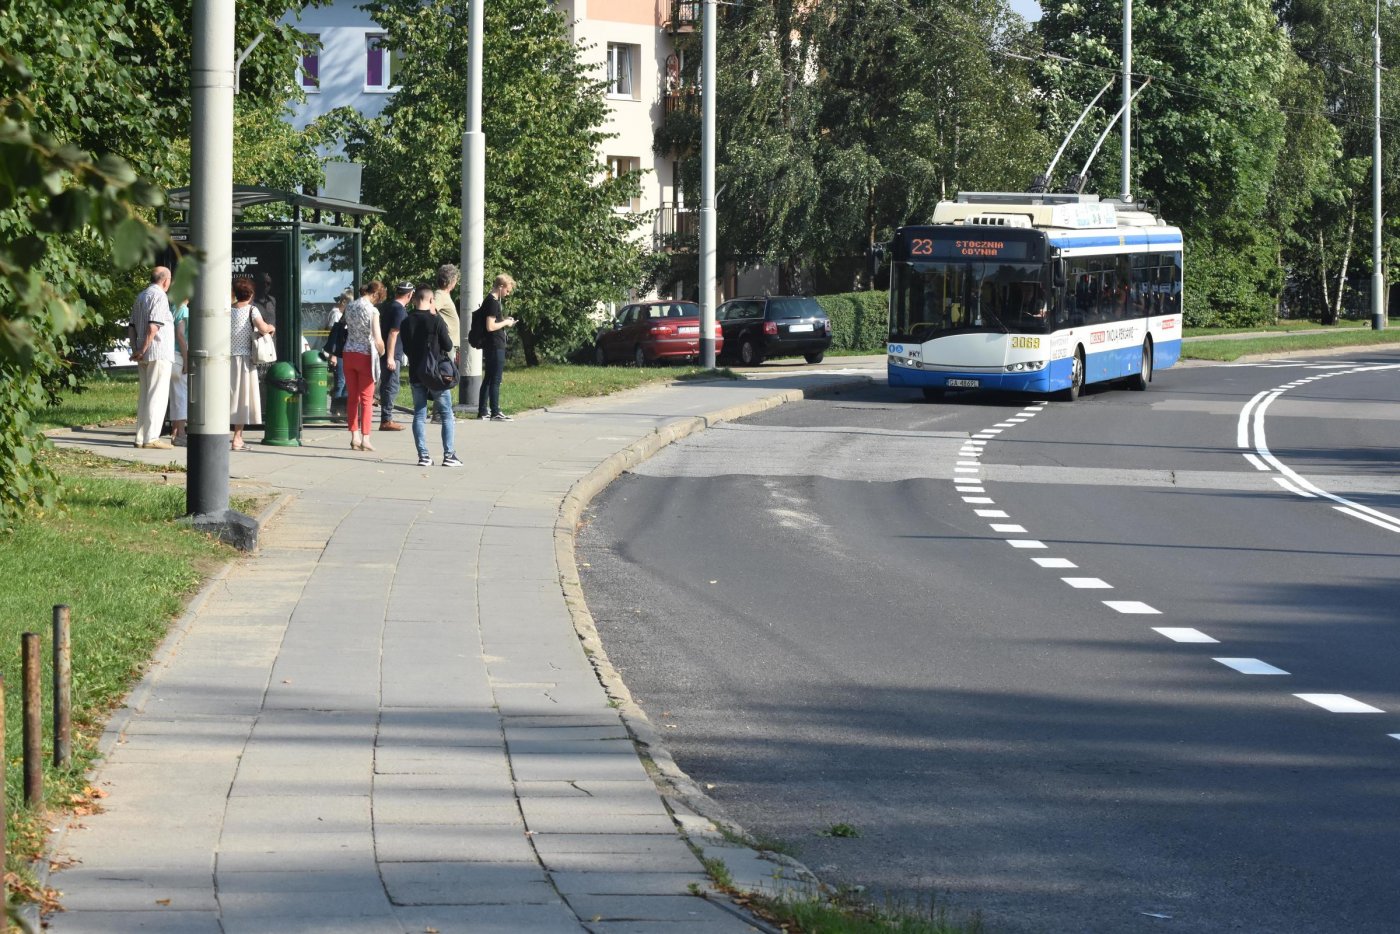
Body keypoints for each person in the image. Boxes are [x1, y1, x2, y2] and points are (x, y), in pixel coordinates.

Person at [400, 285, 462, 468]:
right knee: (446, 413)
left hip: (416, 373)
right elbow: (448, 345)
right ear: (431, 300)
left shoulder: (406, 322)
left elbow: (406, 349)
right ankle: (449, 455)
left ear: (413, 299)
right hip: (436, 375)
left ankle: (423, 456)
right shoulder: (436, 321)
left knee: (419, 413)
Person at [129, 266, 175, 448]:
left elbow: (131, 326)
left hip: (143, 354)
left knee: (145, 395)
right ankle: (152, 438)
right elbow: (153, 327)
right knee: (157, 394)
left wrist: (136, 349)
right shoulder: (160, 296)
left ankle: (140, 437)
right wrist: (143, 348)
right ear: (166, 280)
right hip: (158, 352)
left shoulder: (141, 296)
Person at [230, 277, 274, 451]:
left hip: (226, 359)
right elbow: (263, 329)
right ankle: (237, 438)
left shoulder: (227, 310)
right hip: (244, 359)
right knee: (243, 398)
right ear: (251, 294)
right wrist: (271, 327)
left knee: (229, 397)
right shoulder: (252, 310)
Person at [343, 280, 386, 451]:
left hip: (348, 353)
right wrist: (382, 352)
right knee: (367, 399)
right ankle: (365, 438)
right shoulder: (372, 310)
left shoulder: (350, 306)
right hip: (365, 355)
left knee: (353, 397)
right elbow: (377, 338)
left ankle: (354, 436)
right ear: (375, 294)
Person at [476, 272, 517, 422]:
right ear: (500, 287)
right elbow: (490, 326)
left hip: (492, 344)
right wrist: (506, 323)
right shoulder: (492, 302)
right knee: (495, 379)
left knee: (488, 378)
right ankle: (495, 411)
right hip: (495, 344)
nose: (507, 293)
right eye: (507, 290)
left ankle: (482, 411)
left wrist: (505, 320)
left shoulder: (490, 300)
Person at [378, 282, 412, 431]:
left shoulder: (389, 306)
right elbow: (393, 333)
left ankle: (386, 417)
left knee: (387, 385)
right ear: (409, 295)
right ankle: (386, 419)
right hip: (392, 354)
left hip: (386, 353)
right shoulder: (399, 310)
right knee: (391, 386)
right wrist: (391, 357)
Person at [325, 289, 353, 416]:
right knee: (340, 382)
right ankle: (336, 409)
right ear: (344, 302)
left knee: (345, 381)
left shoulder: (342, 314)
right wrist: (333, 355)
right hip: (338, 352)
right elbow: (334, 336)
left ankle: (342, 409)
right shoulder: (337, 314)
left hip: (343, 352)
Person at [167, 298, 190, 446]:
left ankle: (175, 431)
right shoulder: (184, 310)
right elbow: (180, 335)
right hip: (179, 356)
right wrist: (187, 359)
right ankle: (181, 433)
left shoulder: (173, 309)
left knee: (175, 395)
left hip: (170, 356)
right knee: (182, 396)